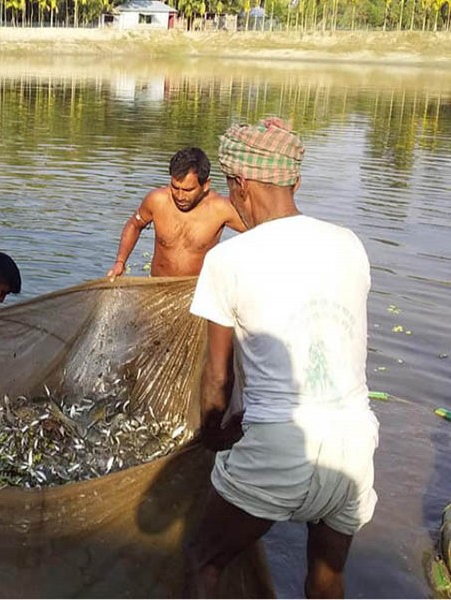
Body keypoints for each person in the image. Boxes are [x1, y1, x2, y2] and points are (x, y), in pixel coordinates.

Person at [183, 118, 379, 598]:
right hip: (354, 444)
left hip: (280, 442)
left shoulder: (230, 260)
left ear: (240, 184)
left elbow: (217, 380)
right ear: (294, 180)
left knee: (204, 558)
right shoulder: (349, 245)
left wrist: (212, 435)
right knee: (328, 575)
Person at [106, 147, 245, 279]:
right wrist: (120, 262)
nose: (180, 196)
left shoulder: (221, 209)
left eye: (188, 190)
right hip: (157, 287)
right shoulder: (157, 200)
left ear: (205, 185)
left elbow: (261, 234)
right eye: (175, 187)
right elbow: (134, 224)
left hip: (196, 291)